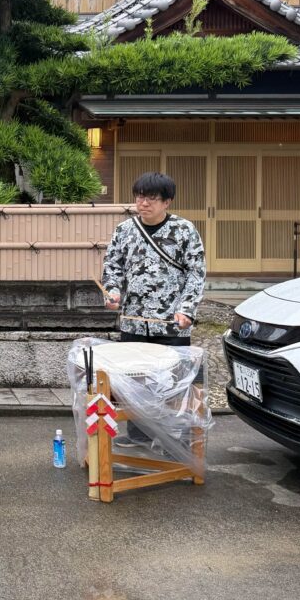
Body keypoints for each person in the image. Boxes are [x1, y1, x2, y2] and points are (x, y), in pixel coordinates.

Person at [101, 172, 207, 447]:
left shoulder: (184, 230)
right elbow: (113, 267)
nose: (143, 202)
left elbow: (196, 274)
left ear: (167, 202)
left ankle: (180, 441)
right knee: (136, 382)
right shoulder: (124, 230)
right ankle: (139, 436)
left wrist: (187, 310)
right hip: (134, 323)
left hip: (172, 323)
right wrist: (113, 292)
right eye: (139, 196)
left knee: (176, 382)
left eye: (151, 198)